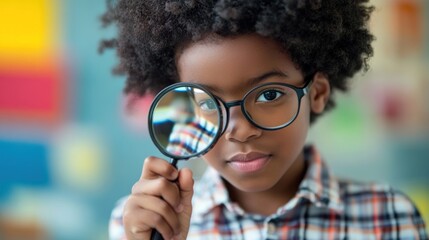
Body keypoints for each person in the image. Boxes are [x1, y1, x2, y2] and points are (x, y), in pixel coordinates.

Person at [100, 0, 428, 239]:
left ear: (316, 93)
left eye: (269, 94)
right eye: (207, 102)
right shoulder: (141, 223)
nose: (239, 130)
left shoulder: (388, 217)